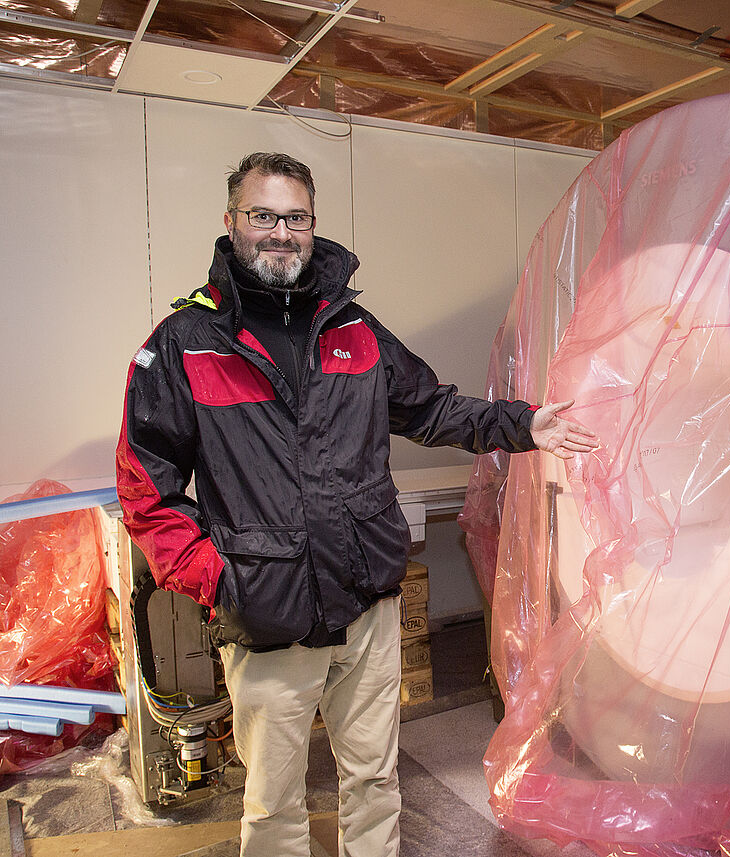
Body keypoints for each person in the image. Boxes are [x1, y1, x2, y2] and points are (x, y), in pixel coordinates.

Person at [115, 151, 598, 857]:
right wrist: (219, 579)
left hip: (366, 604)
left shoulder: (354, 330)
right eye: (264, 216)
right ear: (232, 223)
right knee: (274, 801)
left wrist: (524, 423)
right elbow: (145, 488)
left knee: (374, 779)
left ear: (313, 227)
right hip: (267, 615)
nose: (281, 232)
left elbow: (431, 407)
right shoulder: (185, 344)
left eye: (296, 218)